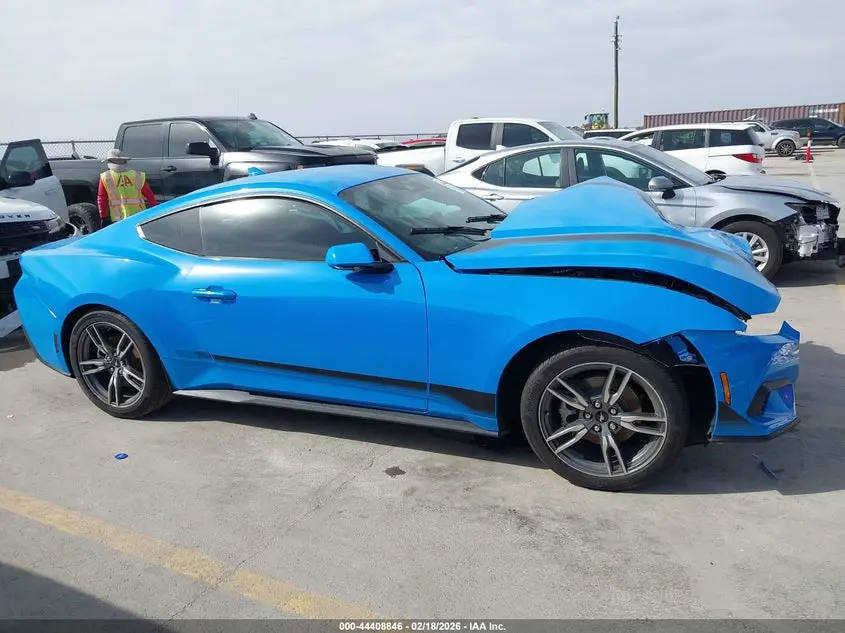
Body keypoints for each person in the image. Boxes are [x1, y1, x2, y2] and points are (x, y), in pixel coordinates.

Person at [97, 149, 157, 227]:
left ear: (109, 162)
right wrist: (155, 210)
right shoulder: (137, 175)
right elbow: (149, 195)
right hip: (139, 215)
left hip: (118, 218)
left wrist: (103, 216)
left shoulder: (105, 177)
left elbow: (101, 198)